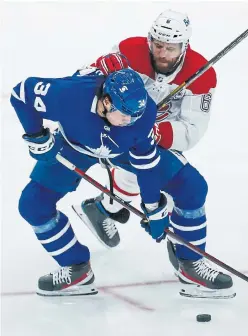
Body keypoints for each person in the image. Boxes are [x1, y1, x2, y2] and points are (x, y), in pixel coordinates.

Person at [72, 10, 234, 298]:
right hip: (112, 131)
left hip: (152, 140)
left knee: (172, 182)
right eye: (157, 44)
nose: (162, 52)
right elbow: (86, 86)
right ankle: (189, 260)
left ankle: (104, 208)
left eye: (170, 47)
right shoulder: (129, 50)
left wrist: (158, 133)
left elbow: (192, 129)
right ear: (150, 38)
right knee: (183, 186)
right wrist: (95, 71)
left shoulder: (202, 73)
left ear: (185, 45)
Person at [10, 68, 170, 296]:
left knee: (178, 179)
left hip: (118, 150)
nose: (130, 120)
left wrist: (153, 207)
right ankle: (77, 268)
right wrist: (37, 136)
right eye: (124, 114)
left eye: (135, 115)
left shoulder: (142, 115)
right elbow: (21, 94)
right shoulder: (69, 95)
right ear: (106, 101)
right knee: (33, 204)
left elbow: (146, 164)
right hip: (72, 146)